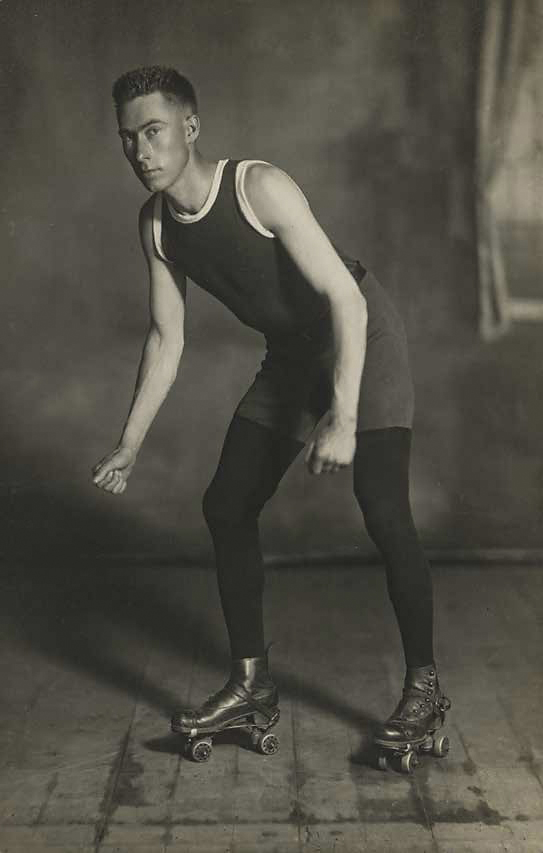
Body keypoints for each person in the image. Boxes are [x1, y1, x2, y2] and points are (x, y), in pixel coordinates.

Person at [92, 66, 450, 765]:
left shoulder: (258, 187)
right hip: (292, 356)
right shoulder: (156, 225)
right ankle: (251, 684)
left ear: (191, 127)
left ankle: (425, 687)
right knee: (227, 504)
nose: (141, 151)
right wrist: (129, 442)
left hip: (363, 334)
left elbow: (346, 301)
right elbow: (166, 337)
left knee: (382, 508)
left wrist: (342, 417)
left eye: (154, 131)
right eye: (128, 138)